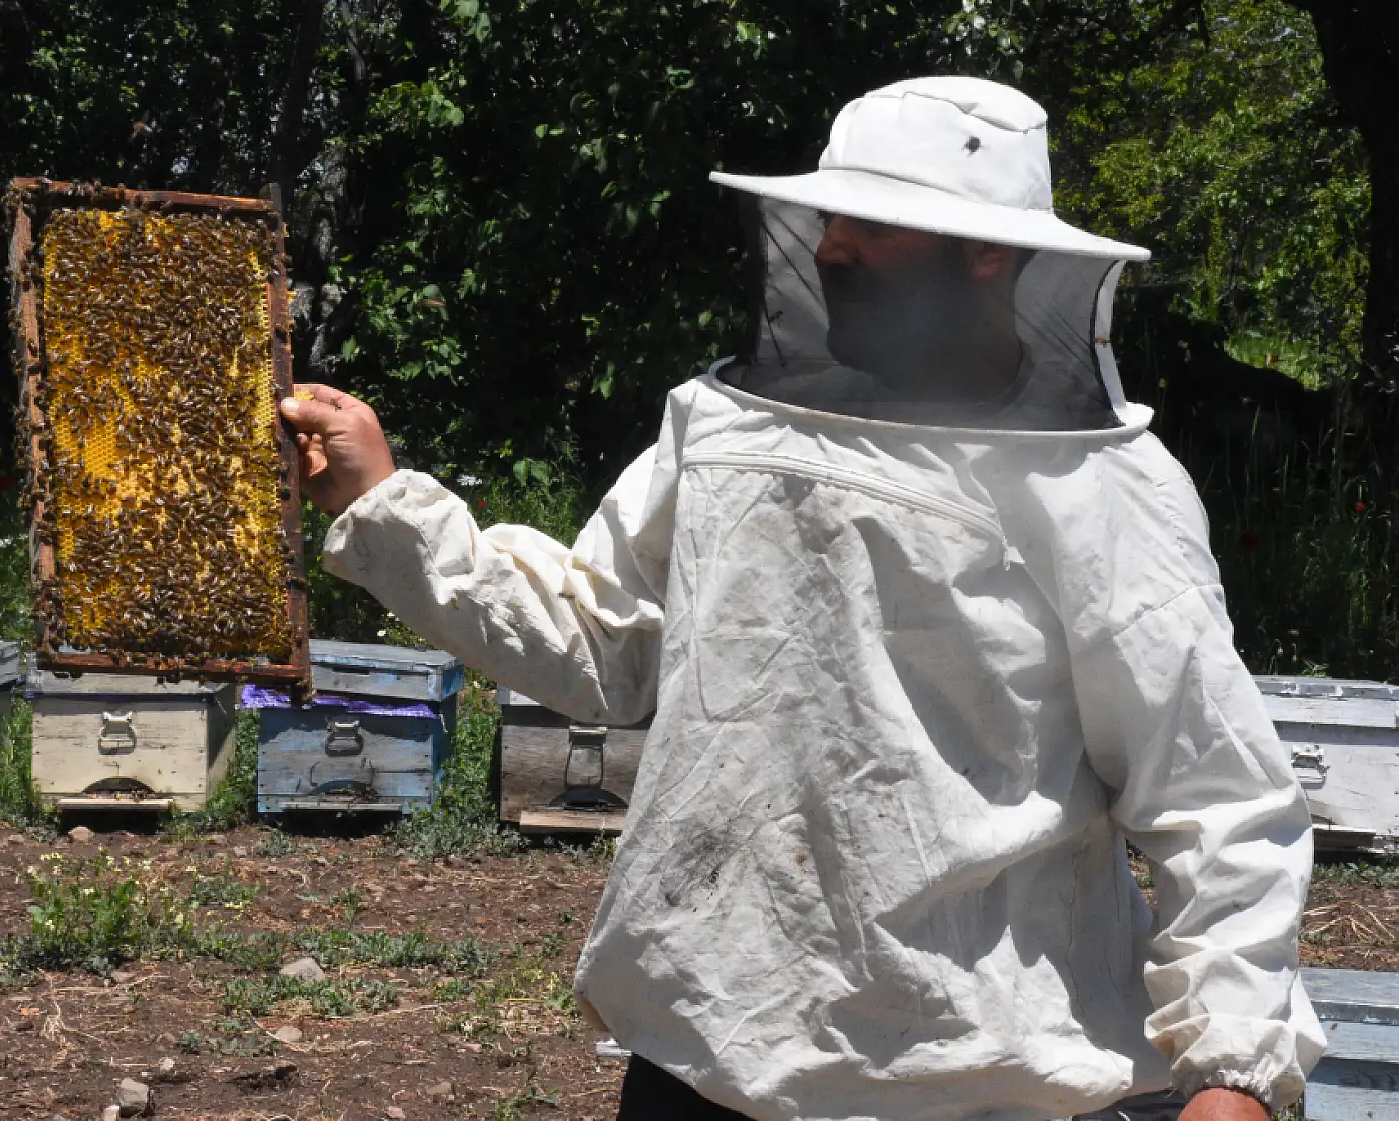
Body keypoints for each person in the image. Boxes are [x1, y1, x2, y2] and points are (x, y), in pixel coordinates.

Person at [278, 76, 1323, 1121]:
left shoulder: (1099, 487)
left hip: (983, 1077)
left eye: (869, 225)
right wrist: (385, 502)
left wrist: (1233, 1070)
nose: (828, 249)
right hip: (708, 1051)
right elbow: (602, 642)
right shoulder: (728, 426)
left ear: (988, 251)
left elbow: (1214, 787)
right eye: (826, 217)